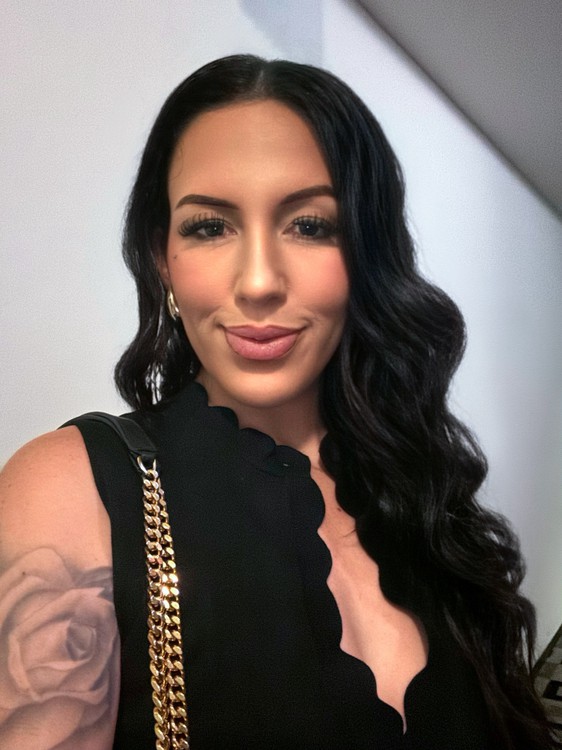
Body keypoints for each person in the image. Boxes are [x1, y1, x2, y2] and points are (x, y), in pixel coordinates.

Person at [0, 54, 556, 750]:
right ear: (163, 258)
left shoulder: (424, 500)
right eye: (210, 226)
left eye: (310, 225)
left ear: (367, 255)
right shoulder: (76, 485)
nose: (259, 281)